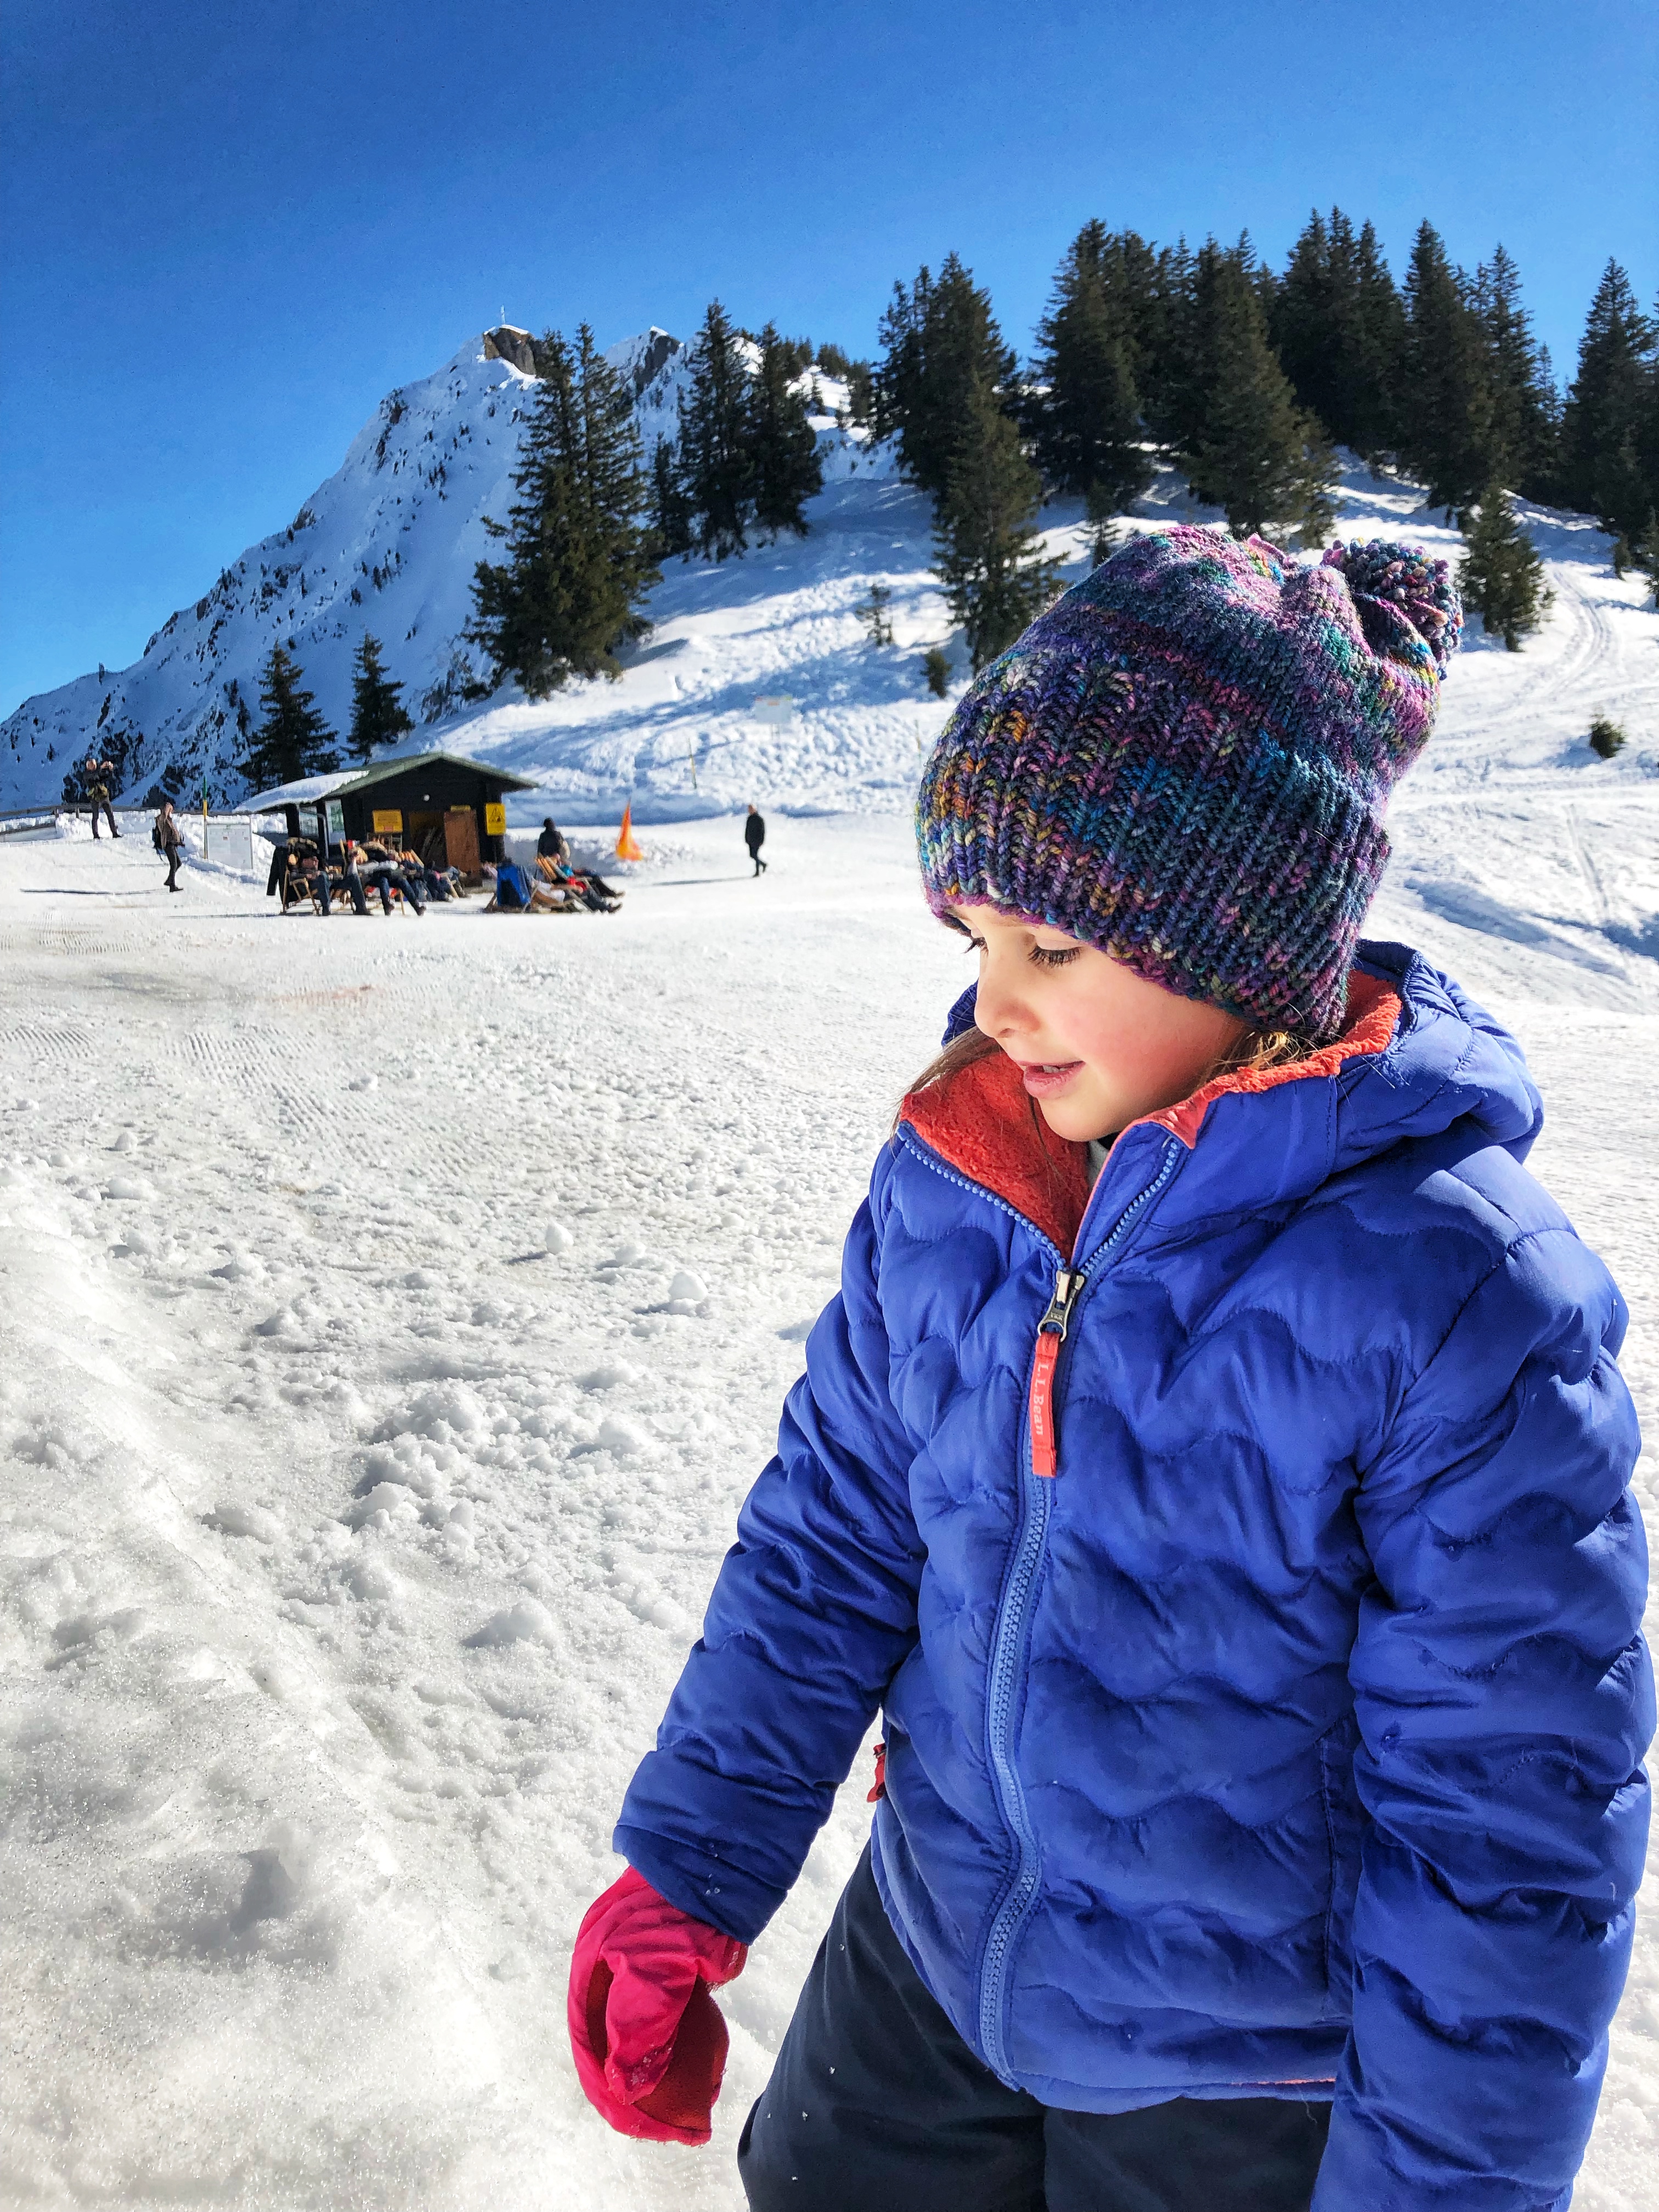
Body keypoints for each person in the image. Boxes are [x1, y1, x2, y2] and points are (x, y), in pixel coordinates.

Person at [567, 532, 1652, 2212]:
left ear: (1242, 937)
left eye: (1052, 948)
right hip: (932, 1959)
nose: (994, 1005)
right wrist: (689, 1868)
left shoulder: (1458, 1292)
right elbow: (827, 1543)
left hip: (1243, 2077)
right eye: (975, 939)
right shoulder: (956, 1177)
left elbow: (1508, 1822)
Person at [84, 755, 120, 839]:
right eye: (92, 765)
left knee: (110, 815)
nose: (94, 766)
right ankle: (96, 835)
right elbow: (93, 775)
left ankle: (114, 833)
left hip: (104, 797)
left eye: (95, 764)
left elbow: (108, 778)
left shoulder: (98, 772)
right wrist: (101, 767)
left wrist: (110, 770)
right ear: (88, 767)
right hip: (95, 798)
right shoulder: (87, 774)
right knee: (95, 817)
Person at [155, 799, 181, 891]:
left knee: (178, 863)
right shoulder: (162, 819)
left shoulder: (168, 820)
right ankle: (172, 885)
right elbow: (164, 815)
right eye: (171, 810)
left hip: (172, 843)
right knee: (174, 864)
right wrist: (168, 806)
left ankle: (170, 880)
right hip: (168, 844)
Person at [744, 802, 766, 875]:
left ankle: (757, 872)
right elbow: (747, 829)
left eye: (751, 809)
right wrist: (746, 838)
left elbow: (762, 831)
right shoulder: (749, 818)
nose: (750, 811)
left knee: (755, 855)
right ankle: (763, 864)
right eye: (749, 809)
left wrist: (762, 840)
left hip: (757, 840)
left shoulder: (759, 819)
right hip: (750, 840)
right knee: (752, 855)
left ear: (755, 809)